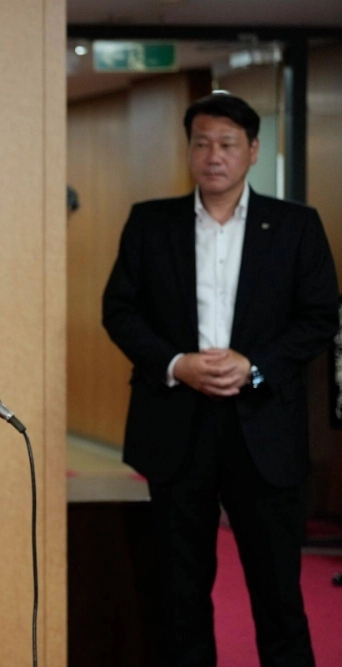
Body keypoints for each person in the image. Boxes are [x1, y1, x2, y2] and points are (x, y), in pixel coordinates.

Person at [102, 92, 338, 667]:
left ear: (253, 151)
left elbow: (320, 317)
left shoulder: (295, 226)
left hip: (264, 433)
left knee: (279, 594)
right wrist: (177, 363)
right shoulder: (150, 222)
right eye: (202, 143)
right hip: (176, 427)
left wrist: (254, 364)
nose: (214, 155)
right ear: (189, 151)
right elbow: (120, 310)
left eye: (228, 144)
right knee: (179, 595)